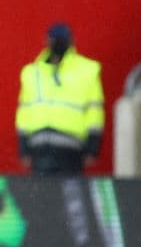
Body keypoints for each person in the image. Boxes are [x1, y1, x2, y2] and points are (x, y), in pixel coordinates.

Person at [16, 22, 104, 174]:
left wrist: (93, 147)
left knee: (69, 192)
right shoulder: (32, 72)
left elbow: (94, 111)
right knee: (42, 194)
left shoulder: (87, 70)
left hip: (71, 147)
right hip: (40, 145)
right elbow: (24, 112)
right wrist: (23, 147)